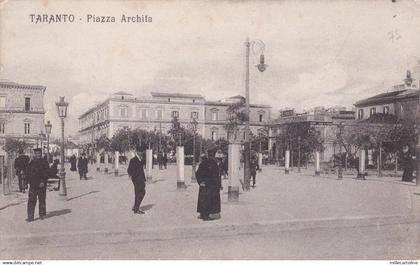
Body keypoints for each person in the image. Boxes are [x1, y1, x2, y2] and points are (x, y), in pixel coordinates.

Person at [195, 148, 222, 221]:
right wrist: (219, 185)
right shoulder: (215, 163)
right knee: (210, 200)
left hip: (204, 185)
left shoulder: (203, 162)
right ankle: (207, 215)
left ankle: (203, 214)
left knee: (204, 200)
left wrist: (200, 182)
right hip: (212, 185)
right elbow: (217, 176)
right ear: (213, 154)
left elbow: (197, 173)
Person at [26, 148, 50, 222]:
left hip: (41, 184)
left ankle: (42, 214)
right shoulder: (31, 162)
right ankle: (30, 217)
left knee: (42, 200)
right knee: (31, 201)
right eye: (36, 153)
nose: (38, 155)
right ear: (34, 154)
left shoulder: (45, 162)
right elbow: (28, 173)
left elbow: (47, 173)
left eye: (39, 153)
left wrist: (43, 181)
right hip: (33, 185)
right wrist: (28, 182)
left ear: (41, 154)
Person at [127, 146, 147, 214]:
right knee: (141, 193)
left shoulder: (141, 159)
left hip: (141, 179)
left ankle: (135, 206)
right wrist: (135, 176)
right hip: (137, 179)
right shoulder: (133, 160)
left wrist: (144, 178)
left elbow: (142, 170)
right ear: (137, 152)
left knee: (138, 193)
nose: (141, 153)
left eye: (142, 152)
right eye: (139, 152)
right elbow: (129, 170)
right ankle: (136, 208)